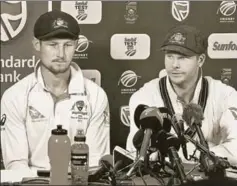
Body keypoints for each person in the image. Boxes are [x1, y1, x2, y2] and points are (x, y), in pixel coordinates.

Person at [1, 10, 110, 172]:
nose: (61, 54)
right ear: (37, 44)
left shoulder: (95, 96)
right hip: (32, 184)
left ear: (76, 45)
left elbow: (94, 163)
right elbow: (16, 165)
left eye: (68, 45)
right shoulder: (14, 97)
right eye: (53, 45)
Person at [126, 25, 237, 166]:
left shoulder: (225, 96)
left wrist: (187, 154)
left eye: (182, 57)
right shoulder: (144, 97)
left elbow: (236, 149)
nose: (174, 65)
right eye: (169, 56)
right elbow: (138, 154)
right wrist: (207, 154)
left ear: (201, 60)